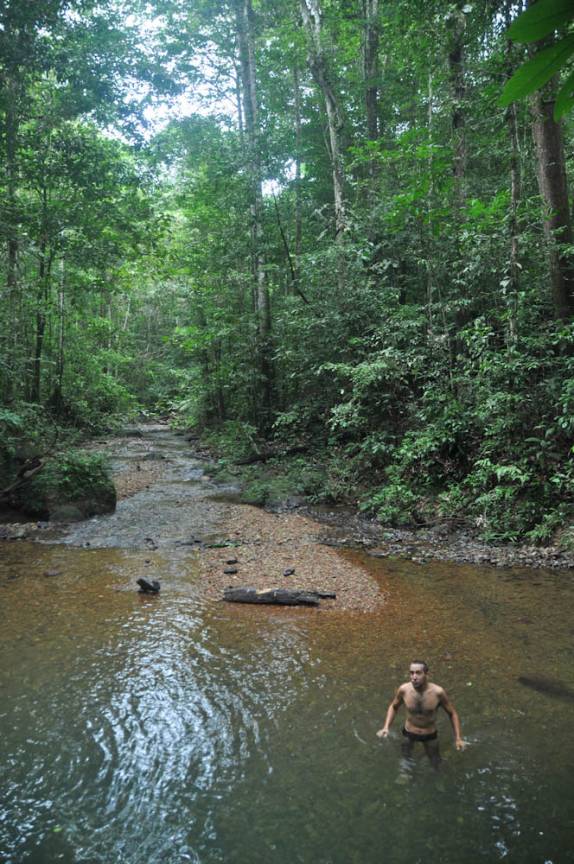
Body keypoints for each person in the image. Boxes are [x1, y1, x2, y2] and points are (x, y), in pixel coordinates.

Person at [376, 660, 464, 768]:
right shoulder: (404, 690)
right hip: (409, 732)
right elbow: (394, 706)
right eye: (411, 673)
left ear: (426, 674)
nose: (414, 677)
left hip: (429, 735)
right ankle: (406, 775)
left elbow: (452, 713)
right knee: (405, 758)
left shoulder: (438, 693)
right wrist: (386, 727)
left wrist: (458, 738)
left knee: (436, 762)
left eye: (418, 673)